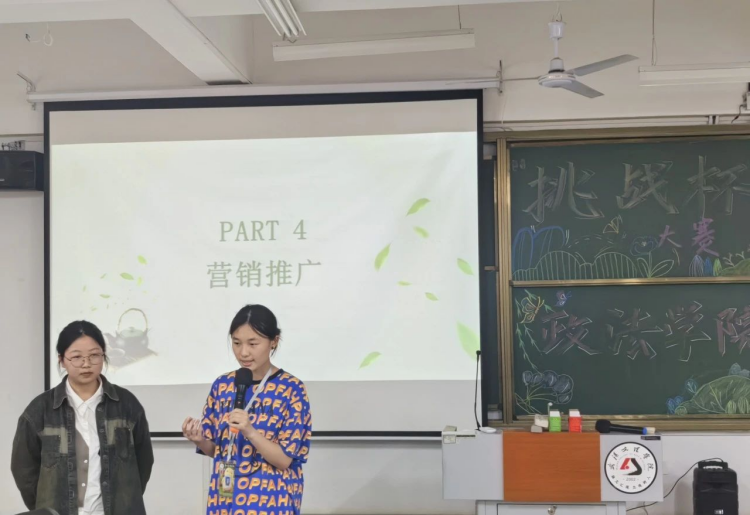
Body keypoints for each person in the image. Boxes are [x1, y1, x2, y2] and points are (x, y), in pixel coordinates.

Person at [11, 321, 154, 515]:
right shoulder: (39, 410)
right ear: (62, 360)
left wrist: (126, 499)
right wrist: (45, 507)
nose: (86, 364)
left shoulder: (127, 404)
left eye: (94, 355)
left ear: (104, 355)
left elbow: (143, 462)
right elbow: (24, 470)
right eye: (77, 357)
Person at [183, 304, 312, 515]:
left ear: (274, 341)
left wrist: (250, 431)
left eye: (253, 344)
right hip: (225, 495)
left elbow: (284, 460)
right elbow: (218, 450)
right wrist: (199, 440)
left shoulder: (292, 389)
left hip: (272, 498)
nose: (243, 352)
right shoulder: (222, 385)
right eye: (236, 343)